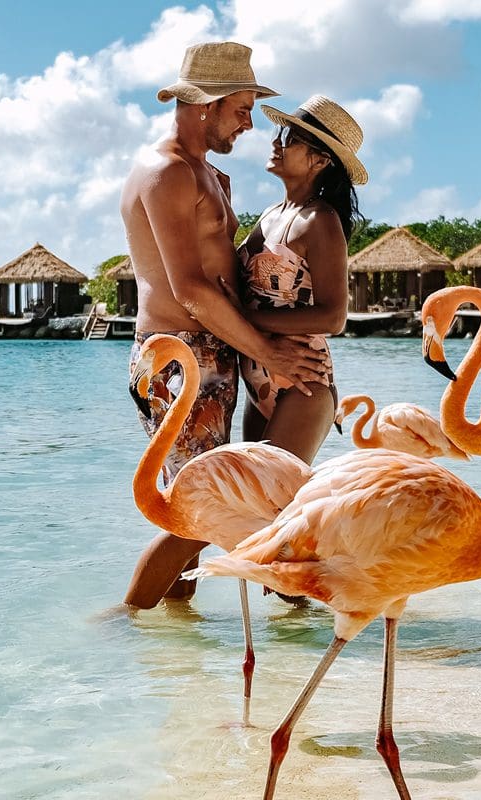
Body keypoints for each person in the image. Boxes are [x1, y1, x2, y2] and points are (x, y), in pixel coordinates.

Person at [119, 41, 327, 609]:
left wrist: (279, 341)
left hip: (219, 349)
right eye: (242, 108)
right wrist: (271, 351)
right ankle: (126, 618)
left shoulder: (209, 176)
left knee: (210, 501)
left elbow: (230, 274)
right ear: (206, 105)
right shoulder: (165, 172)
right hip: (177, 354)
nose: (250, 123)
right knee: (194, 509)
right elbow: (189, 289)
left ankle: (175, 632)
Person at [235, 95, 366, 464]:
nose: (277, 143)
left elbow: (332, 317)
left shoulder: (320, 221)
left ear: (321, 160)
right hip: (259, 379)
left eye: (291, 139)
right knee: (254, 510)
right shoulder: (270, 215)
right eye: (281, 133)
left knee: (275, 503)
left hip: (302, 383)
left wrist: (246, 322)